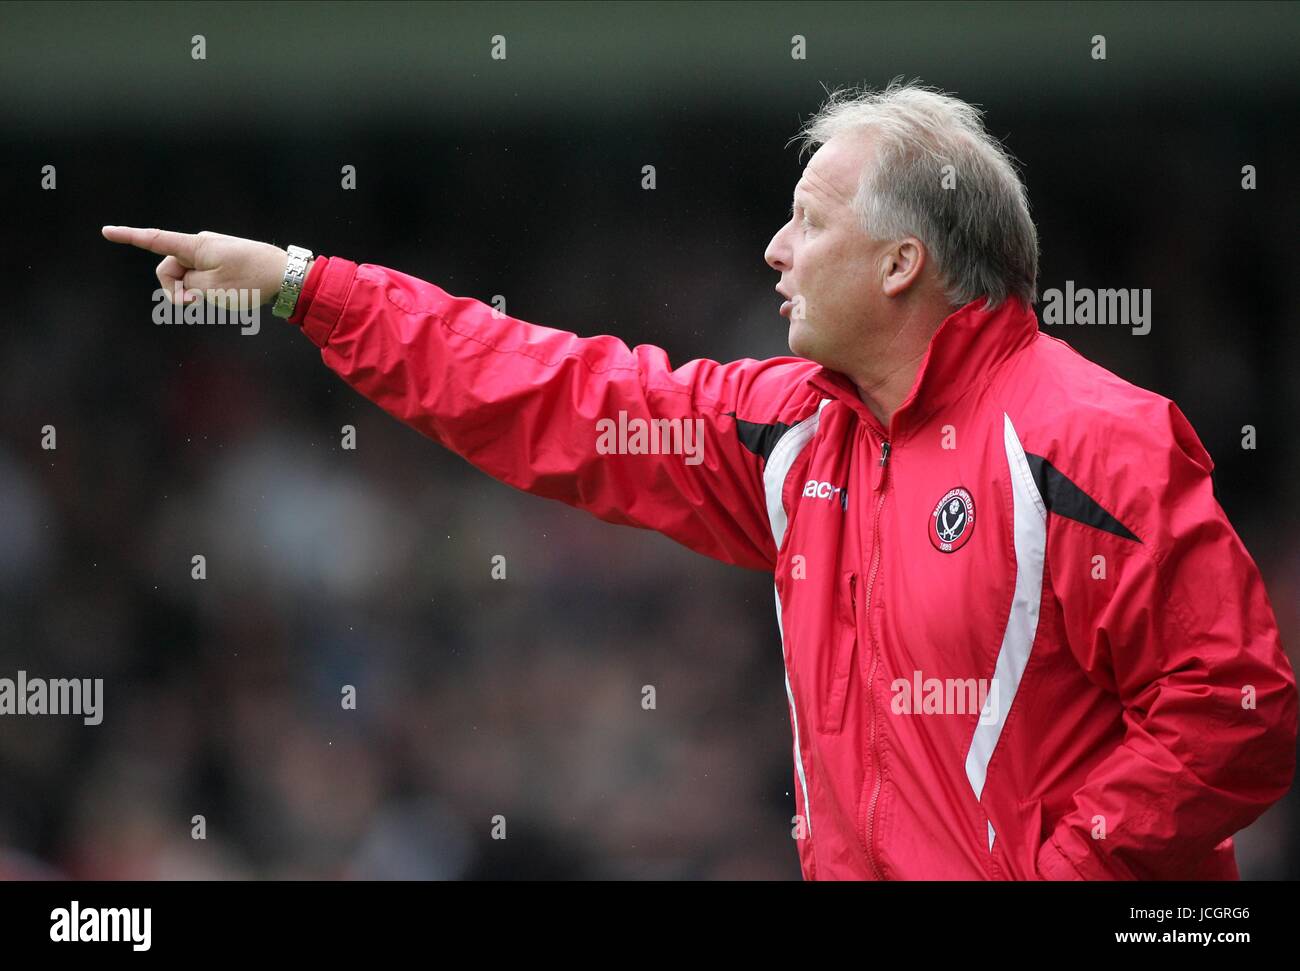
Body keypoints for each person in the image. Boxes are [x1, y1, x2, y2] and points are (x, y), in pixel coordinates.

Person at [102, 79, 1296, 880]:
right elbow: (552, 391)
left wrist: (1062, 871)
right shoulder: (790, 436)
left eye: (806, 221)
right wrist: (307, 283)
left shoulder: (1091, 440)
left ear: (900, 262)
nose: (773, 250)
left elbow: (1238, 710)